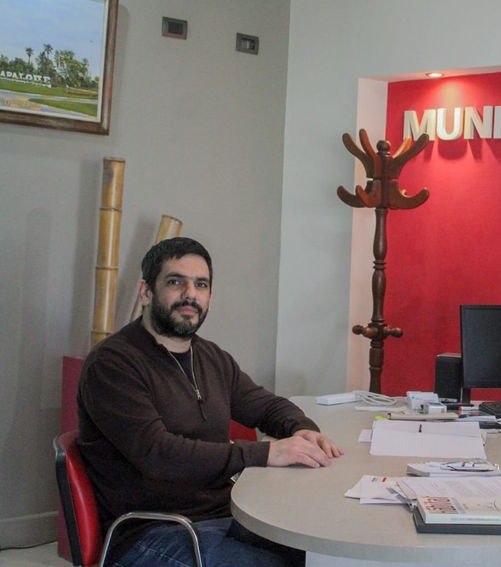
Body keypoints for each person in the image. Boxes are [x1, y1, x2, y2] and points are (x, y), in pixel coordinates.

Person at [78, 237, 342, 567]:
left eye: (200, 284)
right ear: (146, 292)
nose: (190, 294)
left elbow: (265, 405)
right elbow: (158, 454)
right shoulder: (114, 363)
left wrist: (302, 429)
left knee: (323, 554)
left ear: (210, 297)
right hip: (152, 534)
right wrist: (266, 453)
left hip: (219, 517)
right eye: (175, 282)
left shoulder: (211, 357)